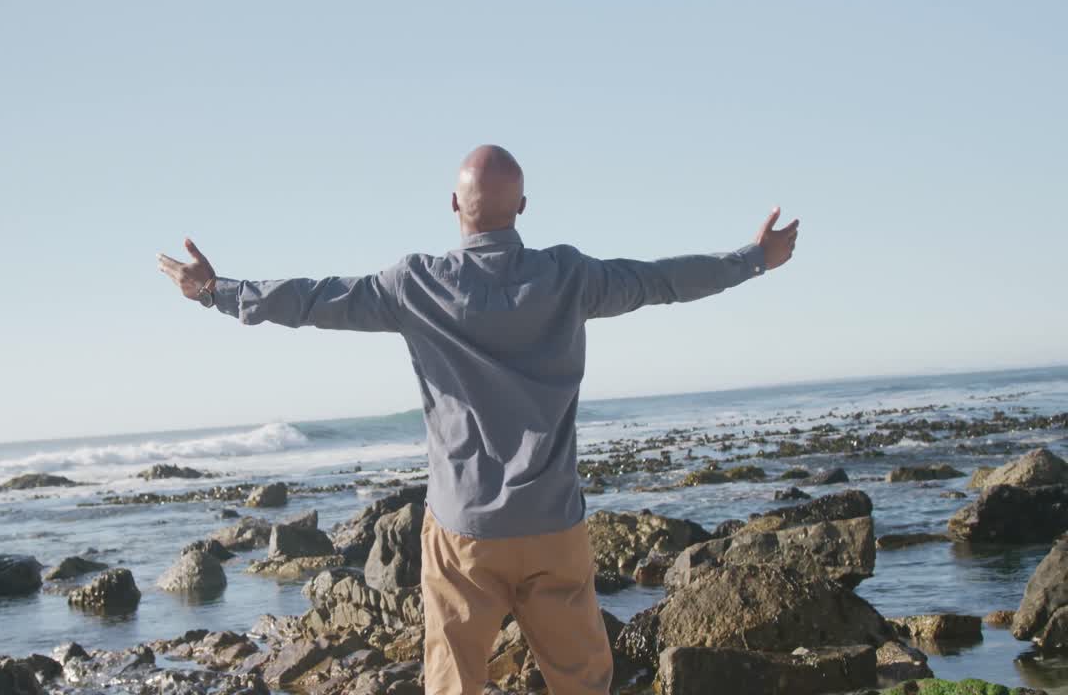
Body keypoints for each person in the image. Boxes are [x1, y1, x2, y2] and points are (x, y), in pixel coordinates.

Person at [158, 144, 799, 695]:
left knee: (454, 683)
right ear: (522, 207)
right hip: (552, 521)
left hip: (463, 529)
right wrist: (754, 258)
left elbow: (312, 299)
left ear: (454, 206)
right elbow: (664, 280)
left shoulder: (416, 284)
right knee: (582, 685)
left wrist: (218, 292)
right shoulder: (569, 276)